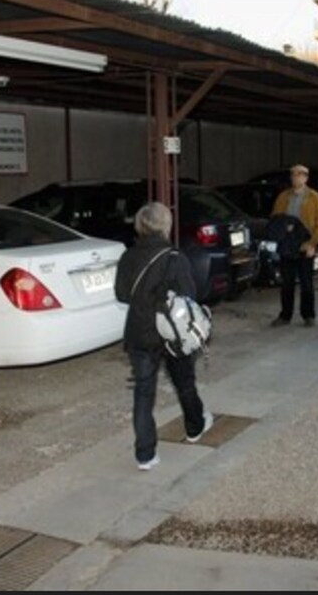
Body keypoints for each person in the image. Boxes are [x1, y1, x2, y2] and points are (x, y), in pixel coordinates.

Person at [114, 201, 214, 471]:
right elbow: (190, 294)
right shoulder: (174, 257)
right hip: (172, 333)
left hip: (139, 332)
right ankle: (195, 427)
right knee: (184, 382)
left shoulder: (128, 256)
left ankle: (145, 455)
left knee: (143, 393)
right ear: (166, 225)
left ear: (140, 226)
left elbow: (122, 294)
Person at [269, 164, 318, 327]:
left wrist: (313, 244)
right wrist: (283, 228)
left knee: (306, 283)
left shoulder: (315, 198)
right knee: (286, 283)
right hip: (287, 246)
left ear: (305, 178)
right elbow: (275, 218)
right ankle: (285, 315)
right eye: (293, 175)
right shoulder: (283, 197)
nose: (295, 178)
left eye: (298, 175)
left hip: (304, 245)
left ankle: (308, 315)